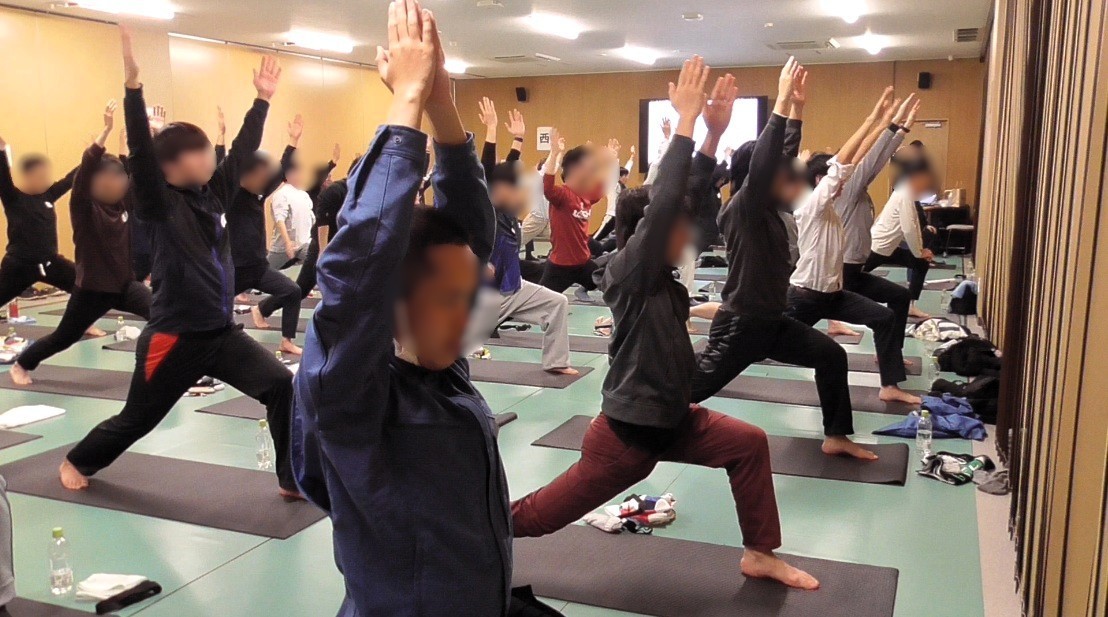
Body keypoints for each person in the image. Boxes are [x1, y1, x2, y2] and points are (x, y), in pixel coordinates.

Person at [512, 57, 819, 590]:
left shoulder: (659, 277)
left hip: (674, 418)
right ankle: (468, 530)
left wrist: (713, 135)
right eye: (677, 228)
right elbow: (670, 202)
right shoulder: (631, 272)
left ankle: (760, 554)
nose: (688, 234)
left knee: (748, 443)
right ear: (646, 235)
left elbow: (688, 195)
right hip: (627, 438)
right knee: (537, 518)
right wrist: (686, 122)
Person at [292, 2, 510, 613]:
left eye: (470, 298)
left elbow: (469, 234)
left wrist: (442, 107)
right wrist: (407, 102)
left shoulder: (439, 369)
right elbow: (359, 267)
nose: (468, 317)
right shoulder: (351, 399)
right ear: (392, 304)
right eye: (450, 301)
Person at [59, 26, 299, 501]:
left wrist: (262, 101)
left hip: (222, 334)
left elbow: (242, 152)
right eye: (200, 150)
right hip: (174, 339)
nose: (211, 156)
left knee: (280, 387)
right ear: (171, 165)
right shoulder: (158, 202)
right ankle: (79, 459)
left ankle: (291, 478)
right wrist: (133, 86)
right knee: (138, 418)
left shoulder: (212, 195)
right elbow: (141, 153)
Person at [690, 57, 877, 460]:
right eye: (778, 172)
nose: (788, 178)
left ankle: (836, 436)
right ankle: (634, 407)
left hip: (772, 321)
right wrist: (779, 102)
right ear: (756, 175)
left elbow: (783, 154)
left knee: (830, 355)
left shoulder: (771, 206)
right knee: (691, 389)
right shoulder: (743, 208)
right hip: (741, 324)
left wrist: (797, 109)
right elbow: (769, 160)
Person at [784, 91, 922, 405]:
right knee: (758, 341)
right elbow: (848, 165)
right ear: (821, 180)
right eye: (837, 178)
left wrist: (894, 128)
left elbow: (857, 164)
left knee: (884, 317)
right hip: (804, 297)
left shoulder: (831, 207)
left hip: (833, 294)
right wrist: (879, 122)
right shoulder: (811, 205)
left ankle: (889, 385)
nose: (845, 181)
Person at [11, 101, 153, 385]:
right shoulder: (85, 208)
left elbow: (137, 170)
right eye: (110, 177)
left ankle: (170, 366)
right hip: (92, 291)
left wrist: (144, 135)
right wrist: (105, 133)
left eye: (120, 177)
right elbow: (84, 173)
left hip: (125, 286)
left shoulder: (122, 204)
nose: (118, 182)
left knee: (164, 314)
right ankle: (22, 363)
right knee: (65, 336)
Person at [465, 162, 578, 375]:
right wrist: (478, 263)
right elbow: (459, 241)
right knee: (452, 349)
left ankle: (556, 362)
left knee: (557, 303)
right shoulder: (484, 214)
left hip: (514, 287)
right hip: (486, 294)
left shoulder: (510, 216)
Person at [835, 92, 924, 332]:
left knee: (899, 297)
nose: (859, 163)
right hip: (845, 269)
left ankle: (891, 350)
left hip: (852, 266)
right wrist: (890, 125)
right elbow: (870, 158)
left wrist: (901, 129)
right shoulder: (846, 187)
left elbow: (874, 160)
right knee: (881, 315)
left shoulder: (854, 187)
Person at [226, 114, 305, 355]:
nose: (265, 181)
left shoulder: (257, 193)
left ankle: (287, 341)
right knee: (214, 308)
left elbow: (279, 173)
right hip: (235, 269)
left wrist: (292, 142)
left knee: (293, 291)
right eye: (259, 175)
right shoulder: (231, 195)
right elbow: (233, 159)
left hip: (258, 268)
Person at [0, 134, 79, 311]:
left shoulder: (48, 195)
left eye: (46, 176)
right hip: (19, 266)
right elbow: (3, 176)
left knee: (84, 286)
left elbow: (70, 180)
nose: (45, 180)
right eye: (40, 176)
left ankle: (83, 322)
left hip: (50, 263)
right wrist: (2, 150)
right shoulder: (13, 198)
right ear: (28, 176)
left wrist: (93, 153)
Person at [538, 130, 614, 302]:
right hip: (559, 267)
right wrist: (554, 152)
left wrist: (609, 162)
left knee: (610, 285)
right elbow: (547, 186)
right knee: (540, 302)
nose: (592, 172)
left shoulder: (586, 196)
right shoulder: (562, 195)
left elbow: (602, 185)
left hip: (583, 264)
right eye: (588, 167)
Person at [863, 153, 934, 314]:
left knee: (921, 264)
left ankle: (910, 306)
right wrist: (919, 252)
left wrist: (920, 252)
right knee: (851, 280)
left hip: (889, 247)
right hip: (878, 246)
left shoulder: (907, 192)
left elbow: (914, 225)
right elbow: (908, 228)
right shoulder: (904, 193)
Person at [266, 133, 316, 271]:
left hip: (303, 245)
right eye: (296, 172)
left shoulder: (303, 195)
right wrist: (288, 243)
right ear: (288, 174)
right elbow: (280, 219)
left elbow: (310, 219)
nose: (299, 176)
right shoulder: (281, 194)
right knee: (263, 274)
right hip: (282, 249)